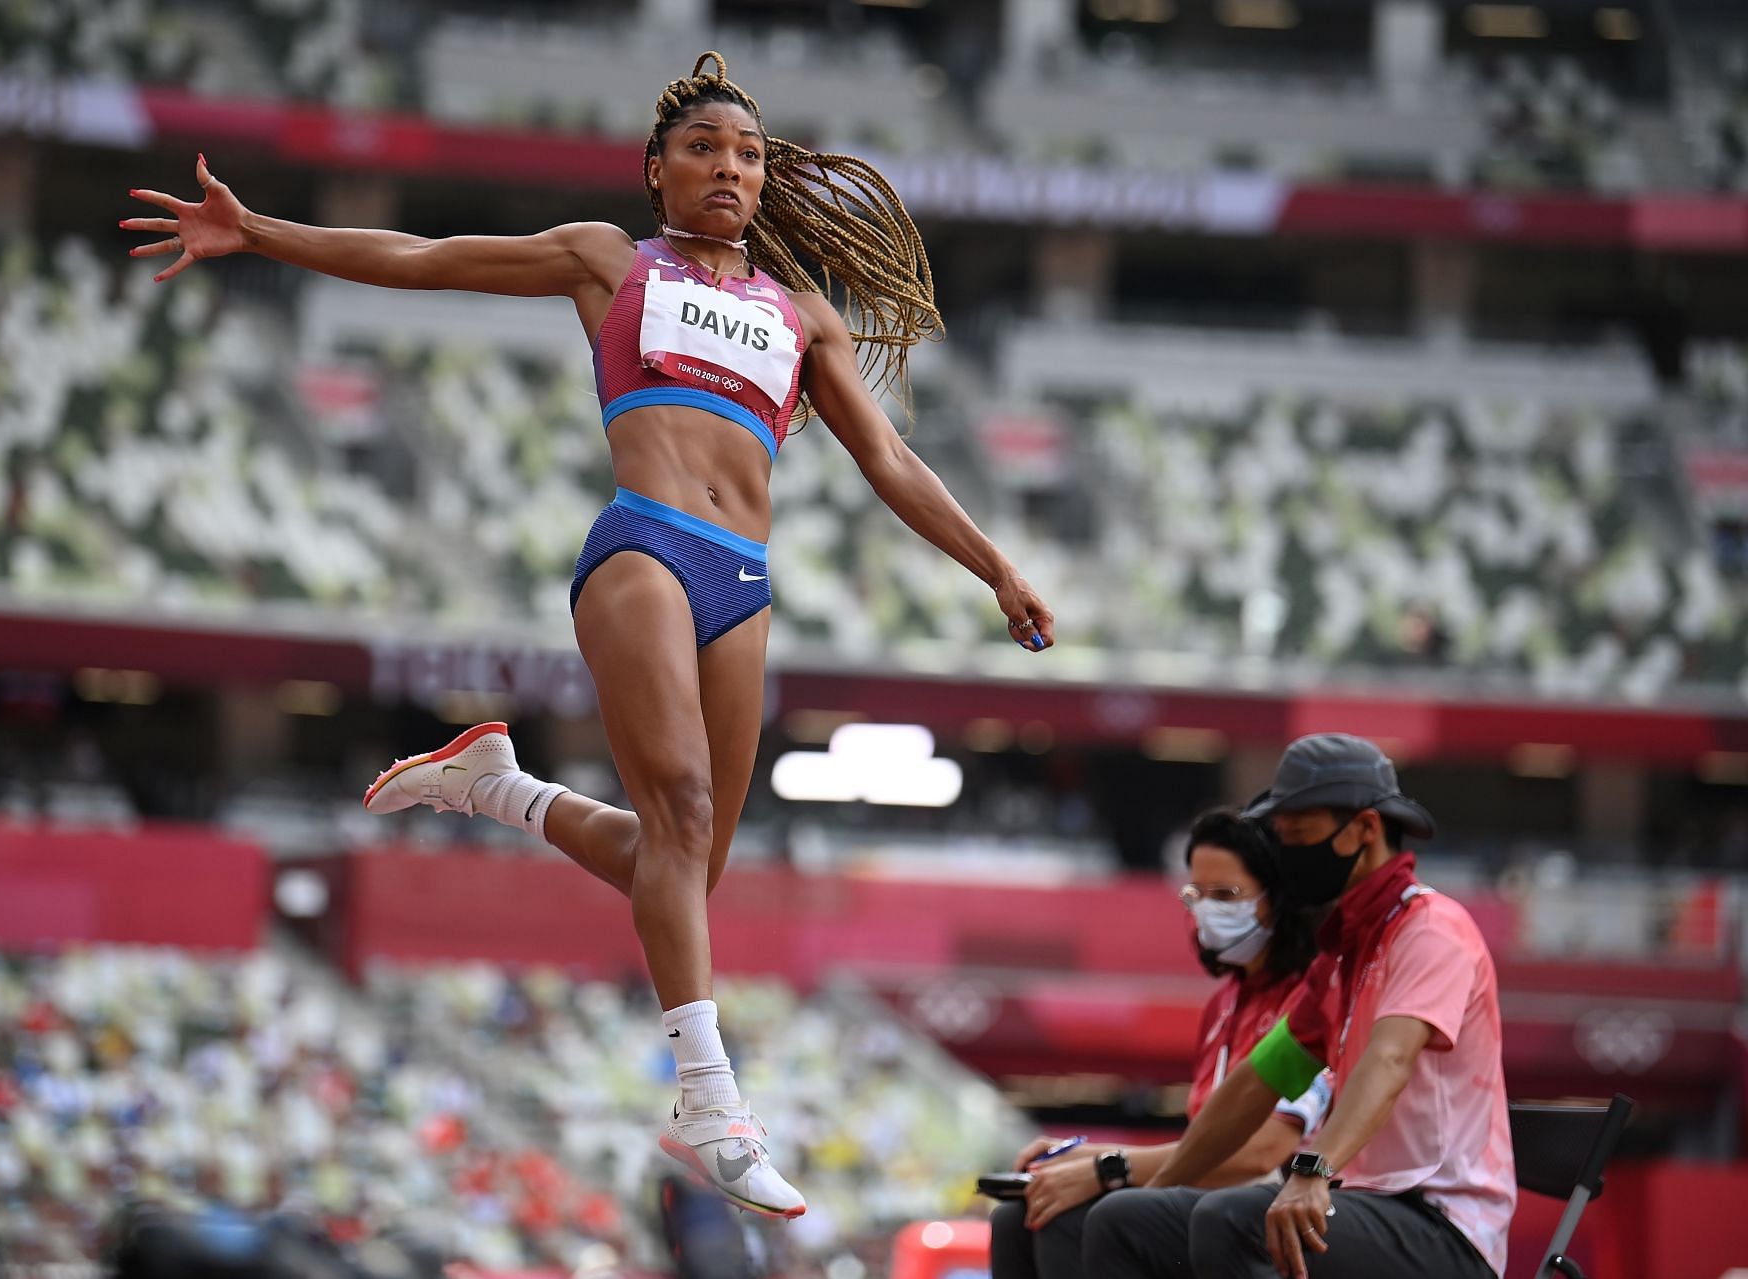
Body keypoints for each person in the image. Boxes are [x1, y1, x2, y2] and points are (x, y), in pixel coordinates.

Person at [121, 52, 1055, 1219]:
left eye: (750, 154)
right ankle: (711, 1102)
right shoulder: (609, 260)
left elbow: (890, 459)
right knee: (684, 814)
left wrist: (997, 568)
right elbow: (422, 261)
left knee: (684, 870)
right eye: (705, 149)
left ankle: (499, 788)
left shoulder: (799, 313)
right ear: (657, 169)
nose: (729, 167)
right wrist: (258, 231)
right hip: (645, 546)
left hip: (744, 581)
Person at [1090, 734, 1513, 1279]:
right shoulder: (1340, 957)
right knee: (1122, 1220)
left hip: (1443, 1226)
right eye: (1282, 837)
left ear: (1365, 829)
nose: (1287, 855)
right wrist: (1165, 1184)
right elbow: (1255, 1084)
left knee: (1230, 1219)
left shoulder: (1432, 930)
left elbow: (1388, 1062)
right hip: (1360, 1205)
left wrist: (1314, 1169)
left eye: (1301, 836)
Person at [989, 810, 1329, 1279]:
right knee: (1019, 1216)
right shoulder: (1224, 1006)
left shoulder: (1310, 999)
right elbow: (1203, 1148)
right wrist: (1079, 1157)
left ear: (1280, 899)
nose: (1207, 910)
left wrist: (1109, 1168)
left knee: (1073, 1220)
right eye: (1197, 895)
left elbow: (1259, 1154)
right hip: (1210, 1196)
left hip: (1275, 1201)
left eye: (1226, 895)